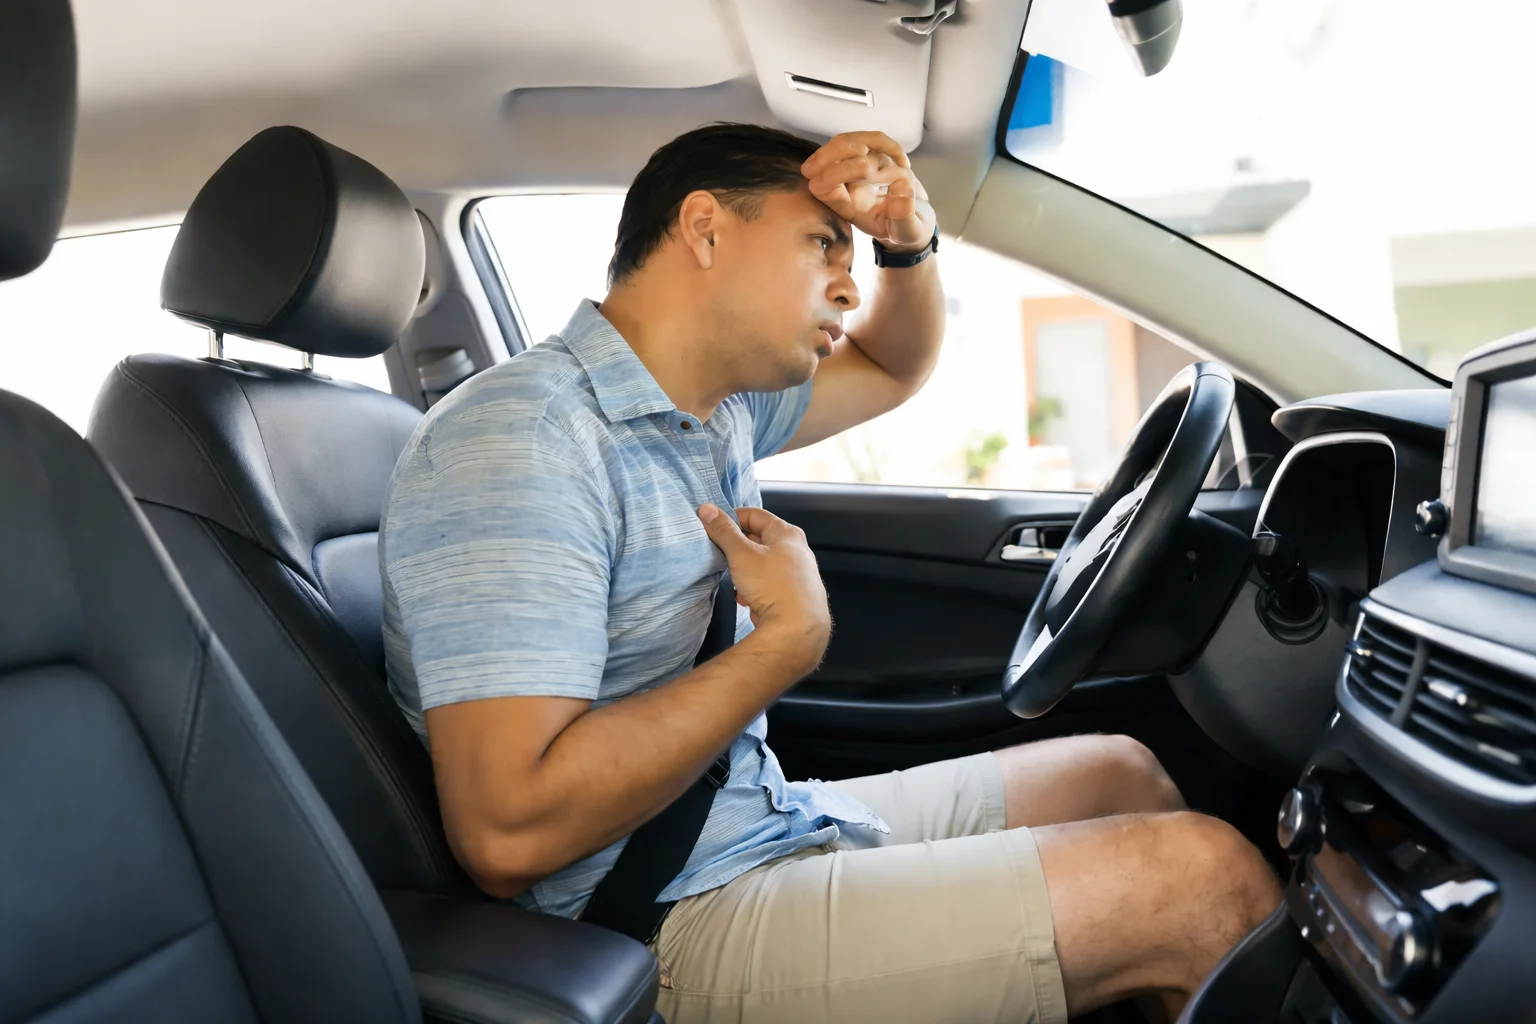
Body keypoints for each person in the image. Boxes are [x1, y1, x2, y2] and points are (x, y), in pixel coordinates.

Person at [380, 123, 1280, 1024]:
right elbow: (508, 832)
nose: (851, 285)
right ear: (704, 228)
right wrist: (786, 644)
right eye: (822, 245)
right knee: (1205, 886)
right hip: (651, 919)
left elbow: (895, 361)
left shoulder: (711, 408)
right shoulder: (520, 441)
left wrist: (910, 243)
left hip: (751, 821)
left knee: (1116, 773)